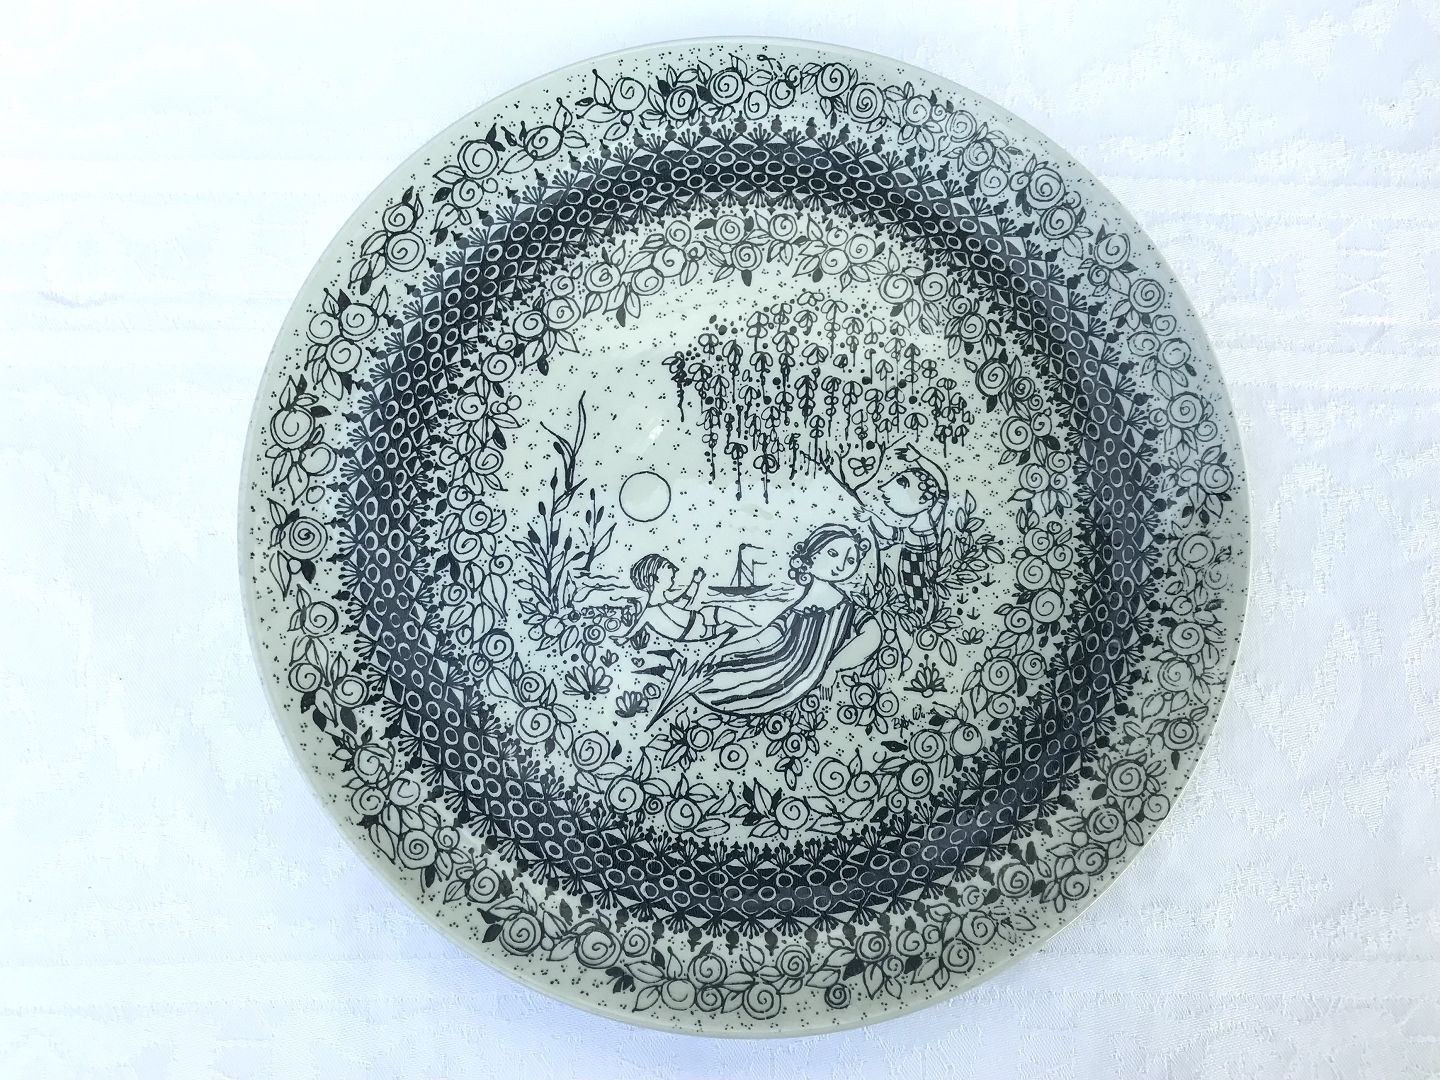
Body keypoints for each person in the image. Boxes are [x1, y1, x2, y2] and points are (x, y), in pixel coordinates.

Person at [684, 523, 882, 718]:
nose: (841, 566)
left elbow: (873, 634)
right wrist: (724, 651)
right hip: (774, 661)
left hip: (793, 677)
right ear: (810, 557)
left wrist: (834, 668)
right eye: (832, 553)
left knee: (734, 688)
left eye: (850, 560)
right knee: (714, 674)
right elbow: (764, 638)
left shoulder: (846, 607)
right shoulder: (796, 608)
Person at [857, 446, 949, 617]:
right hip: (916, 578)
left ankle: (921, 617)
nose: (885, 493)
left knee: (920, 599)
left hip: (915, 578)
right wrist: (918, 458)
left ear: (923, 500)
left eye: (902, 487)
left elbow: (887, 532)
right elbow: (942, 484)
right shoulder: (931, 520)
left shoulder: (912, 533)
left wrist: (871, 517)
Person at [617, 554, 750, 646]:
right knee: (733, 627)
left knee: (726, 616)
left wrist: (696, 581)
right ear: (654, 578)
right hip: (701, 631)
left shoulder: (664, 604)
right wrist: (623, 638)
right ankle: (754, 631)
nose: (674, 570)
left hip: (701, 618)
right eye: (667, 567)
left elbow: (685, 601)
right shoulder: (651, 612)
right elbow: (635, 630)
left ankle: (754, 627)